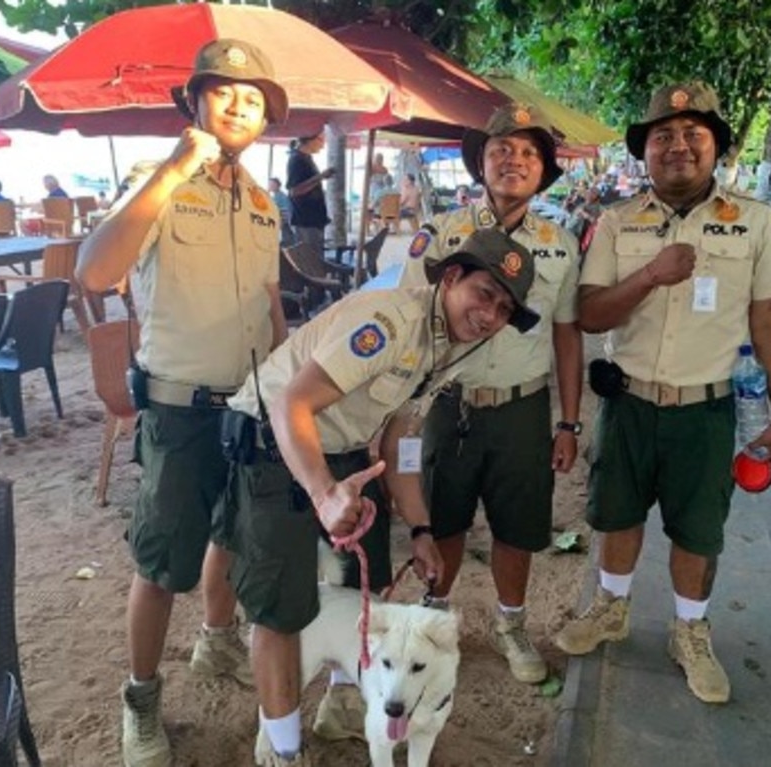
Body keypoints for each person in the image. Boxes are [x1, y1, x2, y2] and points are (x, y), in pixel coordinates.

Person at [222, 228, 540, 766]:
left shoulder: (453, 347)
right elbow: (290, 406)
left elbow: (400, 437)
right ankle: (282, 751)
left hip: (344, 448)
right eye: (485, 294)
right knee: (281, 609)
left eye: (505, 308)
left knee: (362, 586)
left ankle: (344, 704)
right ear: (453, 277)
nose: (489, 315)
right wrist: (324, 495)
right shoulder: (391, 322)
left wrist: (420, 530)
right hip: (270, 443)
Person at [75, 38, 290, 767]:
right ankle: (139, 698)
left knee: (230, 534)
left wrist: (285, 375)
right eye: (225, 90)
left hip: (249, 407)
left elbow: (269, 310)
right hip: (177, 408)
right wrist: (173, 168)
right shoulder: (157, 181)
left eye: (254, 97)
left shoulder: (264, 203)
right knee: (162, 563)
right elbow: (96, 271)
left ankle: (216, 641)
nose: (240, 105)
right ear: (194, 100)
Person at [554, 81, 771, 704]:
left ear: (715, 146)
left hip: (707, 410)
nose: (678, 146)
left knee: (698, 530)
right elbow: (590, 314)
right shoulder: (616, 221)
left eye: (694, 134)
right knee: (617, 514)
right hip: (629, 403)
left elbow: (769, 318)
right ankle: (611, 608)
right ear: (646, 151)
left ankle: (689, 631)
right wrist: (650, 275)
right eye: (663, 135)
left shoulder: (755, 222)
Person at [400, 102, 583, 685]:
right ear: (481, 161)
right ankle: (431, 625)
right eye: (501, 149)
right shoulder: (442, 234)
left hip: (523, 409)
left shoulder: (561, 242)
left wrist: (568, 422)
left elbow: (566, 333)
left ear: (542, 171)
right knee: (442, 522)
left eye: (528, 153)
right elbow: (410, 321)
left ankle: (511, 625)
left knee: (518, 526)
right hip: (447, 405)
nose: (514, 160)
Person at [286, 132, 333, 259]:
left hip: (312, 219)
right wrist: (320, 177)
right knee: (310, 260)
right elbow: (295, 191)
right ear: (311, 139)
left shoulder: (305, 158)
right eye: (321, 140)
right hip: (305, 219)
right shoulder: (297, 160)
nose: (322, 145)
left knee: (314, 257)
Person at [269, 177, 295, 247]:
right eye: (270, 184)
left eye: (272, 184)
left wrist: (282, 222)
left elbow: (286, 211)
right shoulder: (275, 196)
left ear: (278, 185)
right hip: (279, 224)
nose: (270, 186)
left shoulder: (282, 197)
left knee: (286, 244)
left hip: (284, 224)